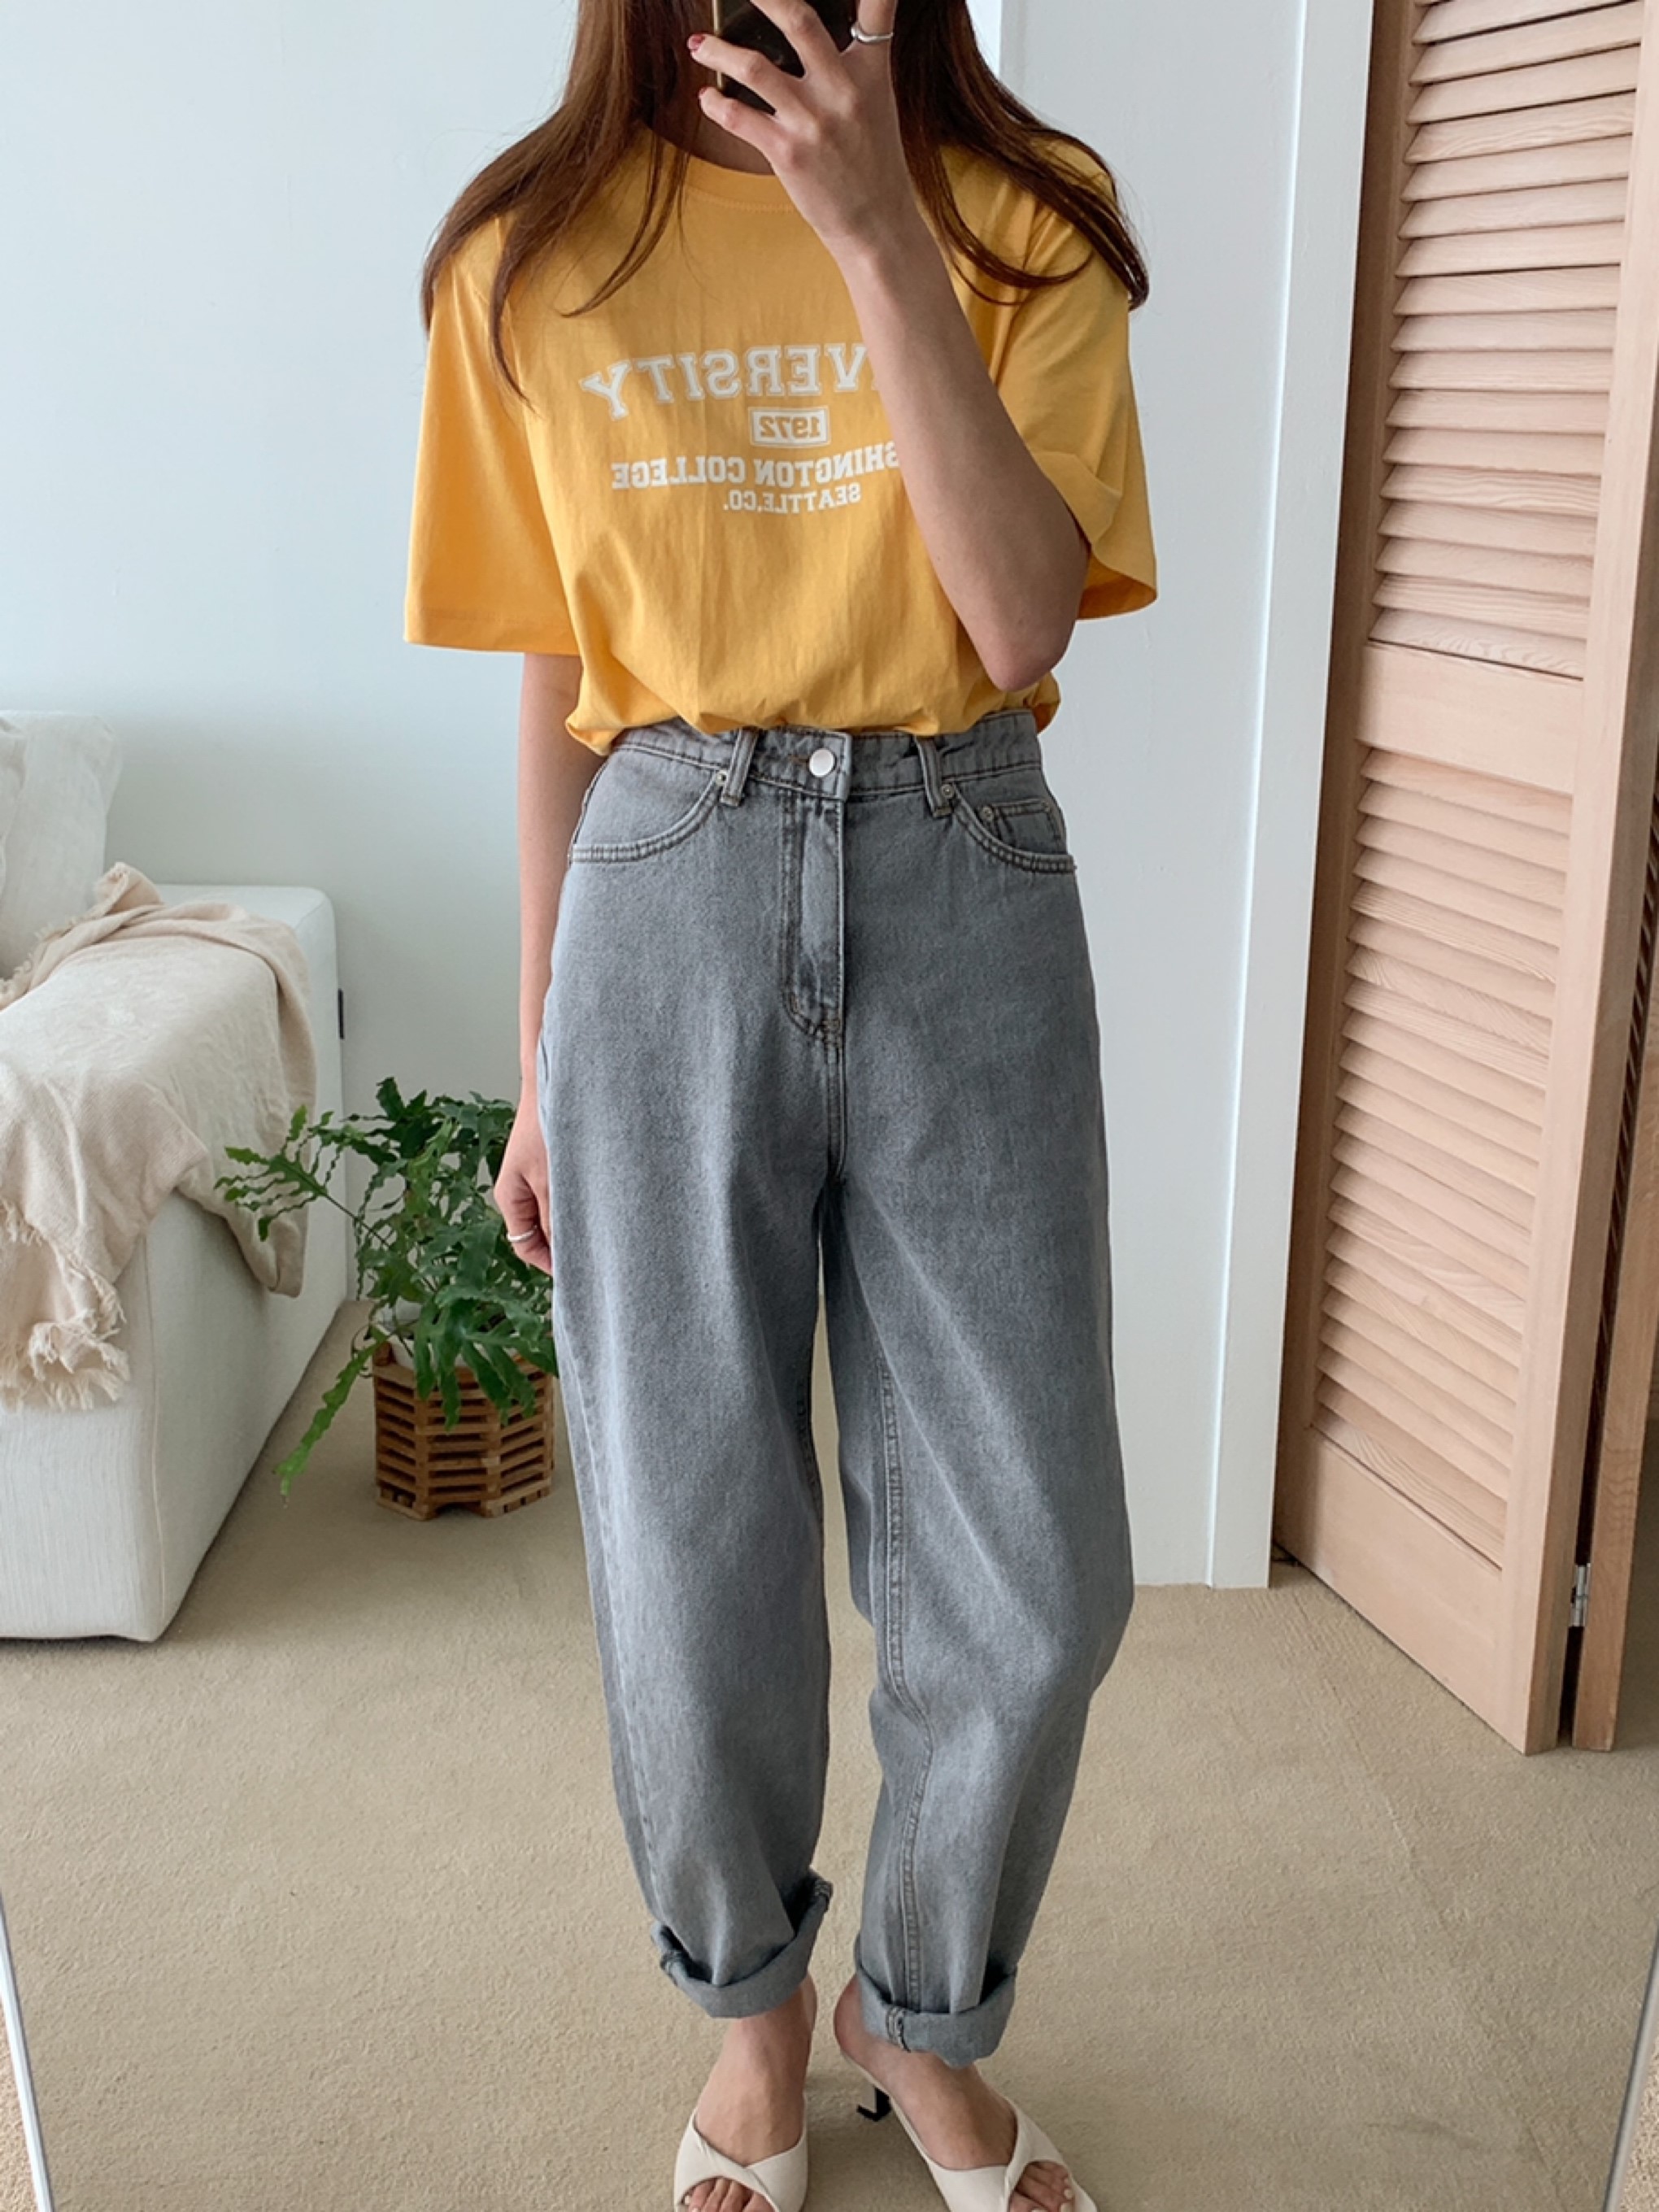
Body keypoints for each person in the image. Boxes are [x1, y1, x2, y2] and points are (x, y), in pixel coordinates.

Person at [404, 2, 1156, 2207]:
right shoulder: (525, 257)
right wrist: (540, 1052)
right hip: (665, 872)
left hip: (965, 860)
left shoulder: (1028, 221)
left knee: (1041, 1569)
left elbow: (1018, 621)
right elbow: (556, 675)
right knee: (684, 1537)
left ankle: (913, 2011)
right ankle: (750, 2026)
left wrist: (877, 233)